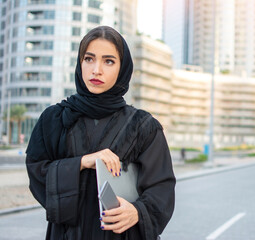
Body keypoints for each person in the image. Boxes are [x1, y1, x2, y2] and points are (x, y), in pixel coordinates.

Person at [26, 26, 176, 240]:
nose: (96, 70)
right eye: (89, 59)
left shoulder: (143, 126)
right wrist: (82, 162)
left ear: (122, 68)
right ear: (80, 63)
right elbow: (37, 172)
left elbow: (161, 188)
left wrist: (136, 212)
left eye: (108, 61)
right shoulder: (54, 119)